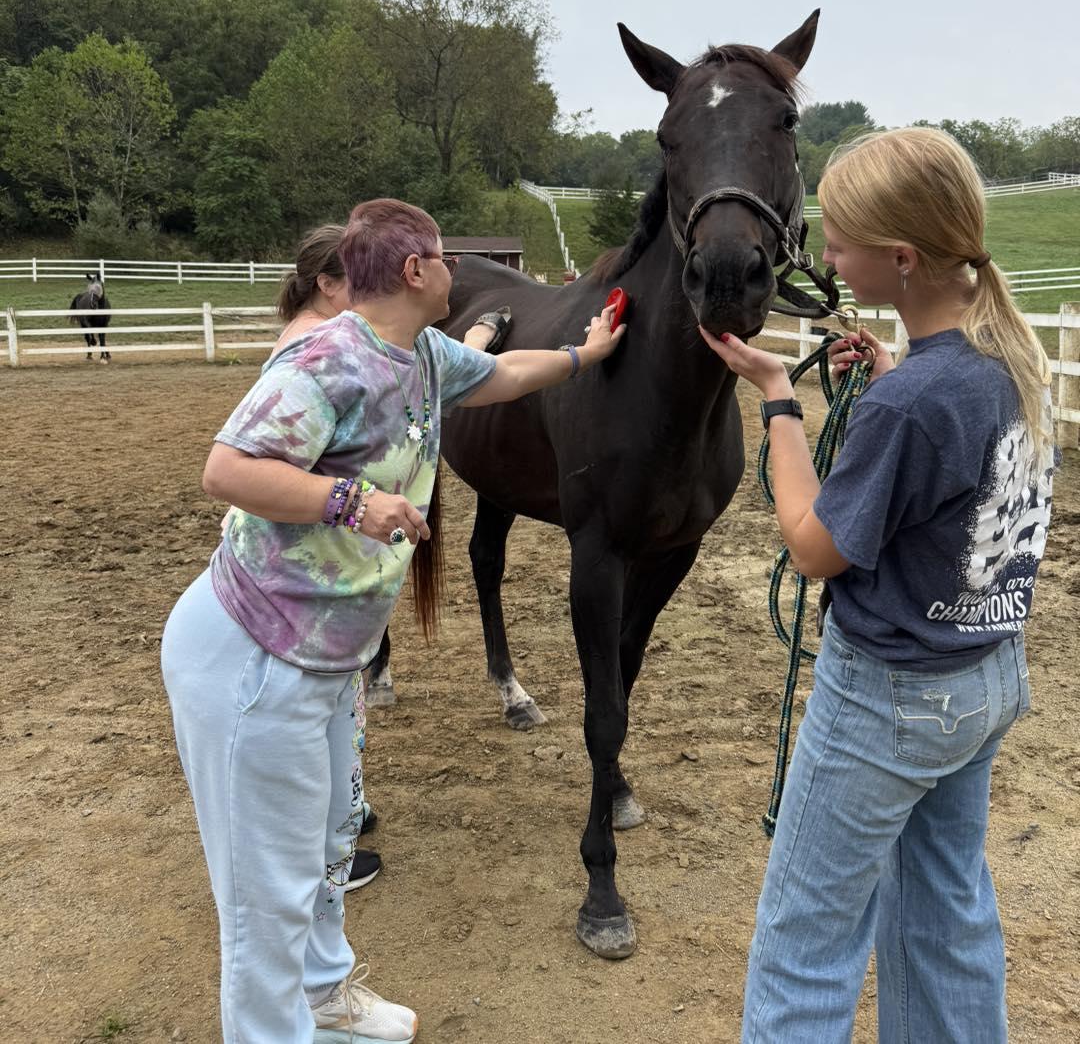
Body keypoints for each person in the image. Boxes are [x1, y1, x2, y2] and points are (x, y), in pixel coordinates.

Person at [161, 197, 624, 1044]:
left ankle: (327, 995)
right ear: (416, 272)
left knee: (332, 841)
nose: (457, 269)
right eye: (445, 256)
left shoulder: (423, 351)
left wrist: (582, 353)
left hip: (325, 659)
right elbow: (226, 470)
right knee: (268, 892)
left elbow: (506, 375)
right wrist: (352, 501)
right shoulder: (329, 361)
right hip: (257, 655)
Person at [702, 128, 1056, 1043]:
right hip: (984, 672)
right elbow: (951, 452)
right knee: (947, 913)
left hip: (889, 699)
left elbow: (815, 548)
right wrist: (895, 375)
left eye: (840, 242)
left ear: (899, 260)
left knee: (804, 945)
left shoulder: (909, 405)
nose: (825, 256)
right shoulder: (1009, 359)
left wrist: (780, 402)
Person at [224, 225, 511, 894]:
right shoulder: (318, 352)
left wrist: (476, 348)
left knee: (336, 720)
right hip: (294, 601)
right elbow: (231, 469)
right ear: (329, 284)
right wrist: (354, 503)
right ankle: (316, 856)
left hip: (322, 604)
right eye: (359, 278)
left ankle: (336, 830)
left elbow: (419, 368)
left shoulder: (360, 345)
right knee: (306, 727)